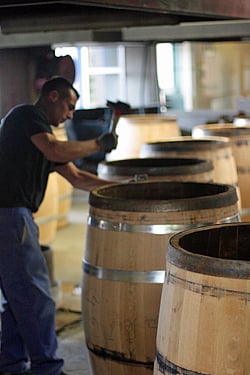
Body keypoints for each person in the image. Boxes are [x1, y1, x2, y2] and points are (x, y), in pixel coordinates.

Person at [0, 76, 118, 375]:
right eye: (69, 106)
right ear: (53, 96)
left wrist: (124, 187)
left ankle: (12, 363)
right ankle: (47, 369)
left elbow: (79, 179)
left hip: (12, 216)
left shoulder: (40, 139)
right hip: (10, 215)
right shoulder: (27, 116)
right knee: (35, 295)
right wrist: (97, 144)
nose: (70, 114)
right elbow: (55, 150)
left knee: (17, 298)